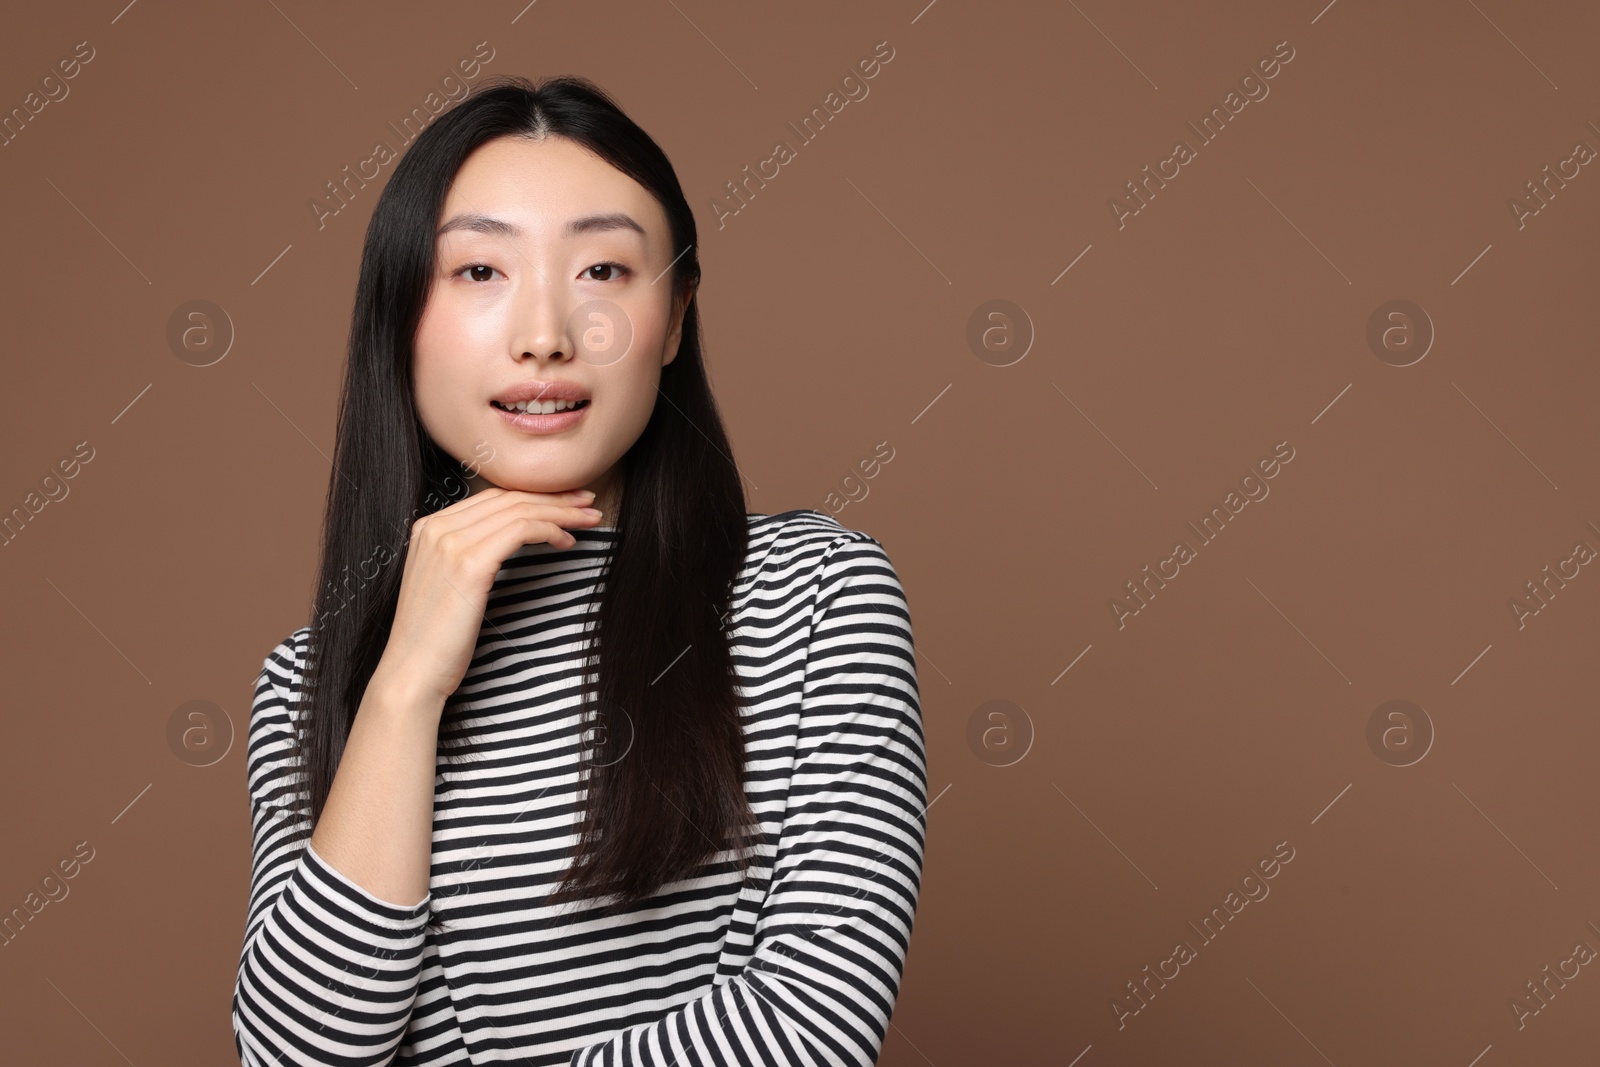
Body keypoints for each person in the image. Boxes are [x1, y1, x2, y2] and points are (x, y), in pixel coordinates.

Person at [230, 74, 928, 1066]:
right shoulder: (311, 681)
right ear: (399, 320)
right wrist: (404, 690)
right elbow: (297, 1055)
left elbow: (807, 1028)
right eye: (478, 272)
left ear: (676, 315)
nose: (546, 335)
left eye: (602, 270)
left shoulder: (811, 596)